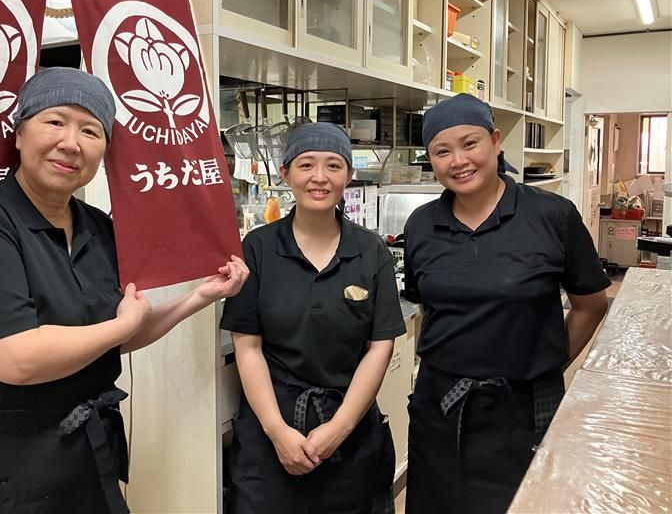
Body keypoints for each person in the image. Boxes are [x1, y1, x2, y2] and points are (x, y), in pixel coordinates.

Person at [0, 67, 249, 514]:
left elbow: (115, 335)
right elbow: (16, 359)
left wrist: (199, 297)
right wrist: (120, 328)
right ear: (19, 134)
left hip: (85, 455)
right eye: (55, 121)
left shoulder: (98, 228)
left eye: (90, 131)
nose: (71, 143)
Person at [402, 93, 610, 514]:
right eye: (442, 151)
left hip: (523, 410)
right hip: (440, 408)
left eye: (470, 144)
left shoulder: (552, 215)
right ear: (431, 159)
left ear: (496, 141)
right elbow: (428, 308)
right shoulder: (421, 224)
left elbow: (591, 304)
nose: (459, 161)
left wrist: (547, 364)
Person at [220, 122, 406, 514]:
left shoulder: (370, 251)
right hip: (272, 430)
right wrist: (277, 432)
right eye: (306, 165)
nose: (319, 177)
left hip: (350, 427)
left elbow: (380, 346)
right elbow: (247, 346)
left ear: (348, 175)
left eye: (333, 166)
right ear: (286, 173)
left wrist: (339, 428)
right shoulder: (258, 248)